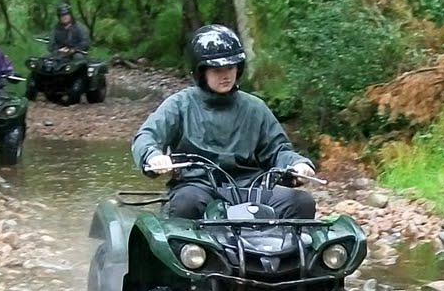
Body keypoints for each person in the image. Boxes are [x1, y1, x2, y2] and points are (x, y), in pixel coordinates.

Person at [131, 24, 316, 219]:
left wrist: (297, 163)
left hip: (251, 187)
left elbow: (278, 150)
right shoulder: (180, 104)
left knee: (301, 202)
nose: (225, 75)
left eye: (230, 67)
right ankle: (191, 250)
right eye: (216, 69)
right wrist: (152, 156)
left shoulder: (255, 107)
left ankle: (287, 249)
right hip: (199, 186)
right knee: (186, 203)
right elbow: (147, 136)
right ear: (201, 72)